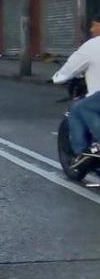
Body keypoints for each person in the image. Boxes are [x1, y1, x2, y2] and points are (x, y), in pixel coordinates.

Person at [53, 13, 100, 165]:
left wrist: (58, 77)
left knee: (79, 109)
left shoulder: (93, 45)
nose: (92, 29)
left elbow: (69, 69)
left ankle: (80, 152)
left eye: (94, 25)